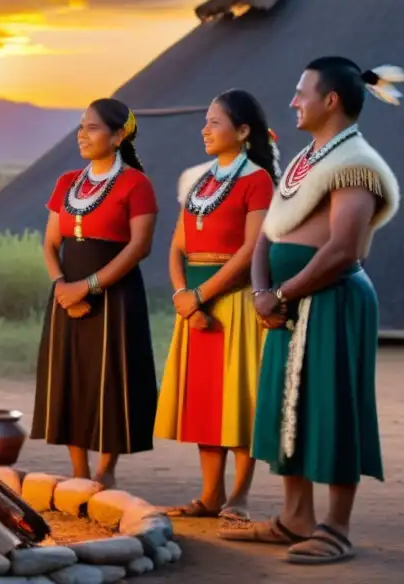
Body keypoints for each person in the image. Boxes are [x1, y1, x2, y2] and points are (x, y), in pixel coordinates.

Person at [221, 57, 403, 565]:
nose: (292, 102)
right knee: (286, 407)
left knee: (331, 404)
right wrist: (263, 291)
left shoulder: (356, 164)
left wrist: (281, 294)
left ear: (331, 101)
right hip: (287, 303)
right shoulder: (308, 159)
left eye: (302, 93)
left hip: (333, 300)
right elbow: (269, 233)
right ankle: (294, 518)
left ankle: (336, 528)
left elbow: (345, 249)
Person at [153, 90, 277, 524]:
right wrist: (181, 296)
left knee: (238, 402)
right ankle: (210, 496)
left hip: (235, 306)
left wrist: (200, 297)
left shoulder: (257, 180)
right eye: (205, 121)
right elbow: (177, 246)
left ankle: (238, 499)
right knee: (208, 404)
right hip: (195, 307)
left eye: (215, 122)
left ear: (243, 132)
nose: (205, 129)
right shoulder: (201, 183)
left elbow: (250, 251)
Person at [31, 98, 159, 486]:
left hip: (115, 296)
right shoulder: (67, 182)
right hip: (66, 295)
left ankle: (105, 472)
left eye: (93, 128)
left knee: (111, 378)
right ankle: (78, 471)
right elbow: (52, 243)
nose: (82, 135)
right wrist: (62, 289)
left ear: (118, 135)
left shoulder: (136, 183)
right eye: (81, 126)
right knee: (71, 376)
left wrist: (88, 287)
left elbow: (140, 247)